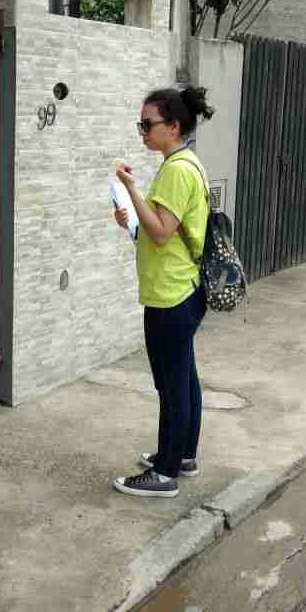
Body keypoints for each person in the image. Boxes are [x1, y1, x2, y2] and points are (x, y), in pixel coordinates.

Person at [112, 87, 214, 498]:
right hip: (182, 287)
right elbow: (164, 231)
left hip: (170, 294)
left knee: (171, 384)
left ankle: (165, 472)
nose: (142, 131)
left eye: (147, 124)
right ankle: (182, 455)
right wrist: (132, 221)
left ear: (173, 126)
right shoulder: (189, 163)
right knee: (184, 377)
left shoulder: (176, 170)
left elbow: (160, 232)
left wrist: (130, 188)